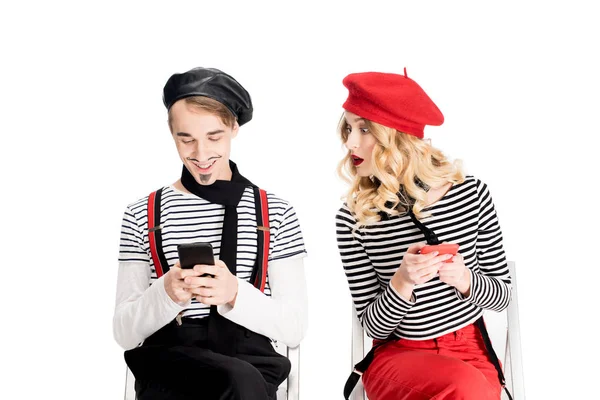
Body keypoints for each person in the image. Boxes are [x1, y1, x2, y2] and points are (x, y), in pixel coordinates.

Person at [113, 67, 308, 400]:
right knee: (235, 379)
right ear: (171, 132)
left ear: (234, 127)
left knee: (239, 377)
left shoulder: (275, 211)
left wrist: (234, 294)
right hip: (170, 364)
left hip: (251, 364)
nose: (201, 155)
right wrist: (167, 292)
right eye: (185, 138)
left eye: (214, 137)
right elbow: (125, 333)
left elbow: (293, 328)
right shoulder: (140, 214)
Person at [335, 69, 512, 400]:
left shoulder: (471, 195)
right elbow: (372, 327)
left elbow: (503, 297)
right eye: (348, 128)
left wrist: (465, 279)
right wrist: (402, 283)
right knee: (463, 389)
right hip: (399, 355)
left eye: (364, 129)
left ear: (397, 137)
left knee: (467, 387)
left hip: (471, 352)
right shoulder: (354, 218)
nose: (350, 142)